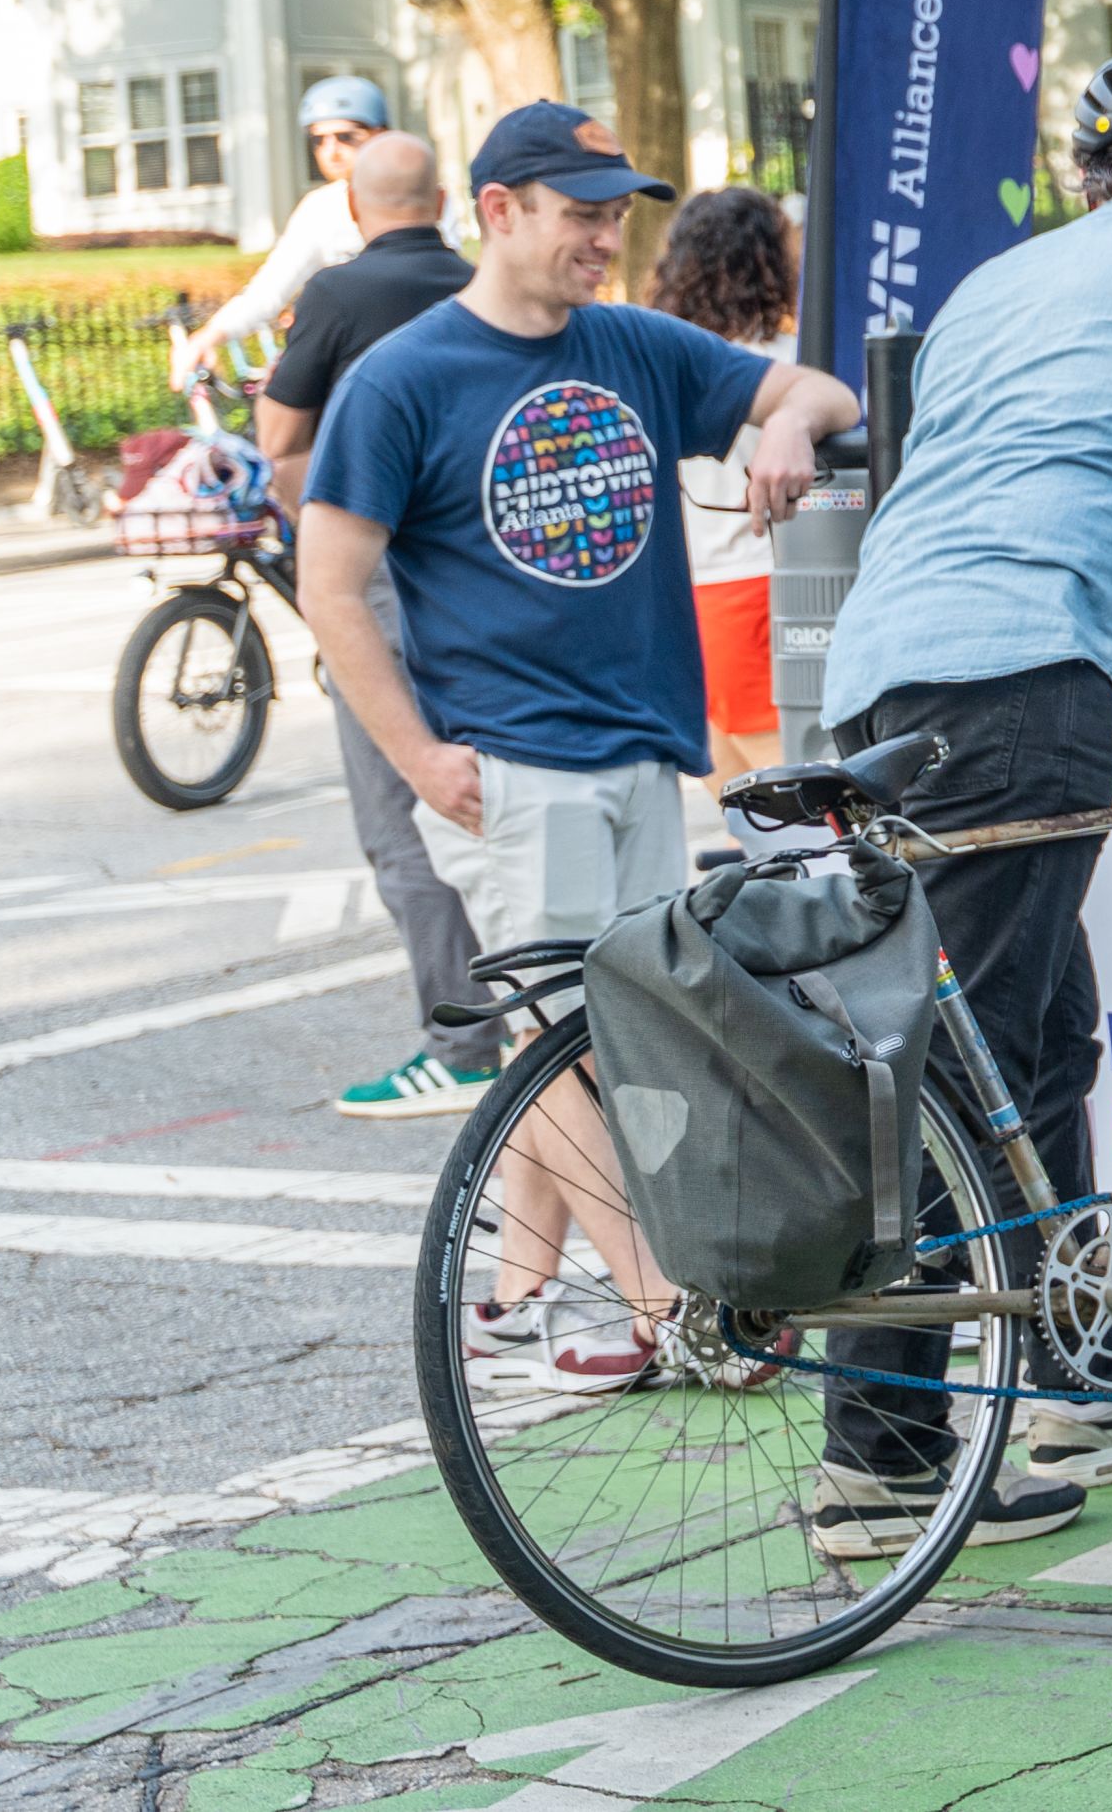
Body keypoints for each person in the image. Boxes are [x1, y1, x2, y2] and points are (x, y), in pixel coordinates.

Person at [297, 102, 861, 1394]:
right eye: (581, 211)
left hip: (636, 755)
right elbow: (332, 580)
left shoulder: (633, 346)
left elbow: (818, 384)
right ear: (500, 211)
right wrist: (421, 755)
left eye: (617, 212)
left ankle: (527, 1287)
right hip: (510, 762)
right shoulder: (407, 374)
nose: (607, 235)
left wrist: (783, 422)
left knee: (624, 1030)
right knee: (566, 1035)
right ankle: (671, 1297)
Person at [802, 53, 1112, 1560]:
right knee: (964, 1061)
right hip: (1029, 672)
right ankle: (884, 1455)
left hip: (888, 670)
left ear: (1088, 177)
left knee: (1041, 1040)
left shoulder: (994, 288)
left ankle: (1092, 1368)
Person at [251, 131, 492, 1120]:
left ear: (353, 210)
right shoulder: (483, 288)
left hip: (379, 577)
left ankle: (460, 1038)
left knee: (398, 816)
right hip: (479, 578)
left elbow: (277, 439)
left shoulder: (343, 295)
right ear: (443, 200)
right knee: (492, 799)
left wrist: (333, 513)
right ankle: (529, 1010)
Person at [643, 187, 801, 784]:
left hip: (685, 595)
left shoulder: (661, 362)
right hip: (761, 581)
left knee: (742, 801)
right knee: (799, 799)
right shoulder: (787, 363)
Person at [176, 75, 448, 379]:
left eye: (347, 136)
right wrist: (210, 335)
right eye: (319, 140)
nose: (331, 151)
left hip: (429, 354)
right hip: (356, 364)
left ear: (381, 134)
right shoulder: (319, 209)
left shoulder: (422, 191)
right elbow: (268, 291)